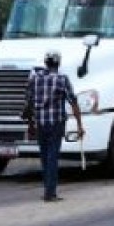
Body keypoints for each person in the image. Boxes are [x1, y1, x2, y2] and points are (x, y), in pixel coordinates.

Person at [23, 50, 84, 202]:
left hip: (40, 123)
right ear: (58, 63)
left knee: (44, 157)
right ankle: (50, 193)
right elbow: (73, 102)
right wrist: (79, 125)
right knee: (52, 157)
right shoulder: (62, 79)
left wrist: (30, 125)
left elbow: (28, 104)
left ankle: (48, 189)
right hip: (56, 123)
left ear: (46, 63)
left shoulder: (34, 79)